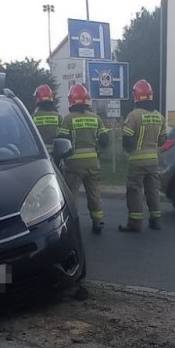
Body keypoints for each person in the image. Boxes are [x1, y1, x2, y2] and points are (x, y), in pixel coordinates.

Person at [57, 83, 108, 234]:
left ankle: (72, 223)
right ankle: (97, 221)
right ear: (87, 100)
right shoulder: (96, 118)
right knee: (94, 192)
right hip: (93, 162)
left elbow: (61, 139)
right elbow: (105, 140)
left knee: (71, 193)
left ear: (71, 100)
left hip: (73, 164)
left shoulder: (68, 119)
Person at [119, 79, 167, 232]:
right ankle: (156, 220)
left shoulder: (134, 115)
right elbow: (163, 140)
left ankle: (135, 223)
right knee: (152, 191)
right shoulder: (159, 116)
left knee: (135, 191)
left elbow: (127, 138)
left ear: (136, 96)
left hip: (137, 161)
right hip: (153, 160)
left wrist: (129, 150)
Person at [31, 84, 61, 154]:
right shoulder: (58, 117)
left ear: (37, 99)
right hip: (56, 154)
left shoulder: (32, 117)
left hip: (39, 154)